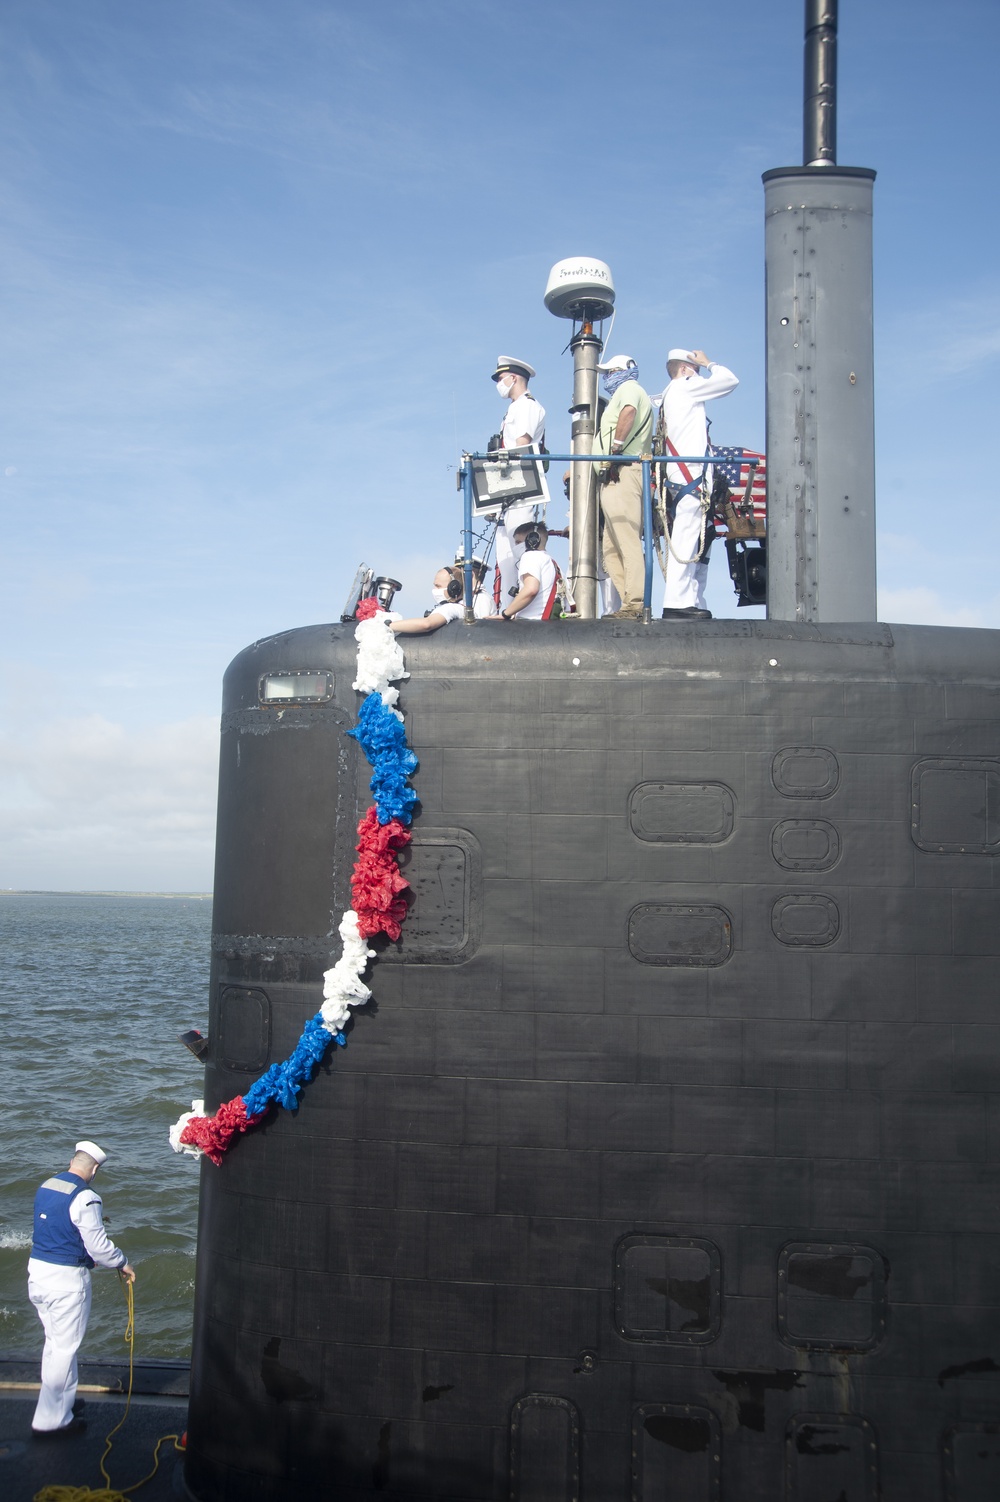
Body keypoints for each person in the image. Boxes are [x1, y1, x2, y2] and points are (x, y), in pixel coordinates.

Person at [27, 1141, 135, 1438]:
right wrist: (122, 1262)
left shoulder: (48, 1184)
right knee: (64, 1348)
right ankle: (50, 1420)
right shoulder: (87, 1197)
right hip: (66, 1283)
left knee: (55, 1343)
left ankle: (62, 1403)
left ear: (72, 1161)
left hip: (37, 1274)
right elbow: (98, 1248)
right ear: (95, 1168)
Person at [660, 348, 739, 619]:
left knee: (692, 537)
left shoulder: (670, 394)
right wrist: (709, 363)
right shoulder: (685, 385)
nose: (698, 373)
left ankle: (689, 599)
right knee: (686, 536)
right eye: (694, 368)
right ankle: (677, 602)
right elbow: (729, 381)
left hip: (684, 477)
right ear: (684, 369)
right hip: (690, 476)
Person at [594, 355, 653, 620]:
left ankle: (635, 604)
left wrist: (615, 450)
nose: (607, 378)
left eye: (609, 372)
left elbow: (628, 411)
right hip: (615, 474)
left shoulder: (629, 388)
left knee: (627, 542)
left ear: (621, 372)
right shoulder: (630, 390)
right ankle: (630, 601)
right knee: (610, 548)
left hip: (622, 470)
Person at [490, 356, 546, 606]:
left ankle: (525, 602)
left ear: (514, 378)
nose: (499, 384)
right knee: (505, 552)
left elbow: (521, 444)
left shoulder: (527, 407)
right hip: (506, 485)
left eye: (501, 379)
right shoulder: (513, 408)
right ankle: (508, 602)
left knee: (520, 542)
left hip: (520, 483)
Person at [498, 521, 559, 621]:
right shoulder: (554, 565)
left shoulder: (531, 556)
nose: (515, 547)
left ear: (532, 539)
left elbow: (531, 589)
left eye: (518, 542)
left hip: (531, 626)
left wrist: (506, 613)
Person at [391, 567, 469, 635]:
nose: (434, 590)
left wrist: (388, 626)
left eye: (438, 586)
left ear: (453, 589)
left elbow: (427, 624)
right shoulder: (463, 608)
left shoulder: (451, 608)